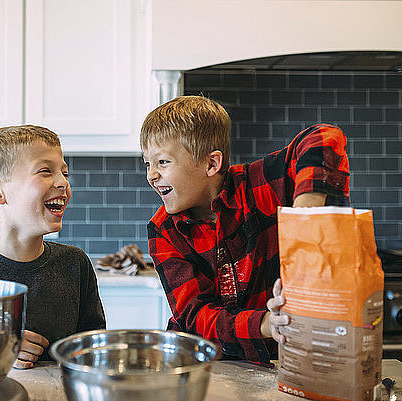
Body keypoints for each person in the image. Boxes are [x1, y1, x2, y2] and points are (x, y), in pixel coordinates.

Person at [140, 96, 350, 364]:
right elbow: (195, 316)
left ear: (211, 164)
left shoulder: (258, 184)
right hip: (199, 366)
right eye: (148, 163)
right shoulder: (164, 231)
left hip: (282, 361)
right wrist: (265, 323)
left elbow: (324, 137)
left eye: (163, 162)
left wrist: (305, 216)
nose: (151, 175)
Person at [0, 125, 106, 368]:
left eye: (65, 172)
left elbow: (93, 349)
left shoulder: (75, 263)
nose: (62, 182)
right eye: (45, 171)